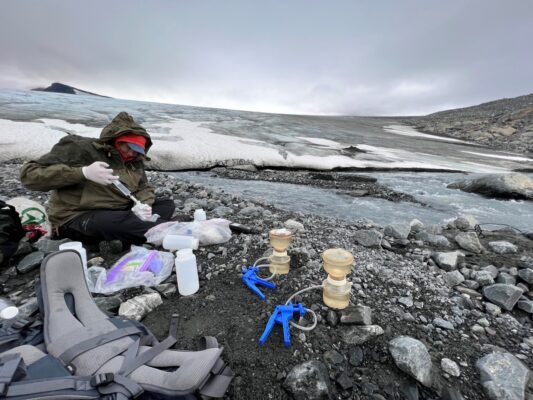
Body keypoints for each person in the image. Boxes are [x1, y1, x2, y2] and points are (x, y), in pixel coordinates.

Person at [20, 111, 175, 245]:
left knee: (166, 205)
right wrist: (83, 173)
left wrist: (143, 205)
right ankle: (168, 231)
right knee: (116, 223)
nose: (131, 154)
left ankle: (133, 231)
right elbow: (30, 175)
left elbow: (143, 187)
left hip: (120, 210)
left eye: (137, 150)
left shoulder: (134, 161)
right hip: (78, 215)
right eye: (129, 147)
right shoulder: (80, 149)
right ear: (116, 140)